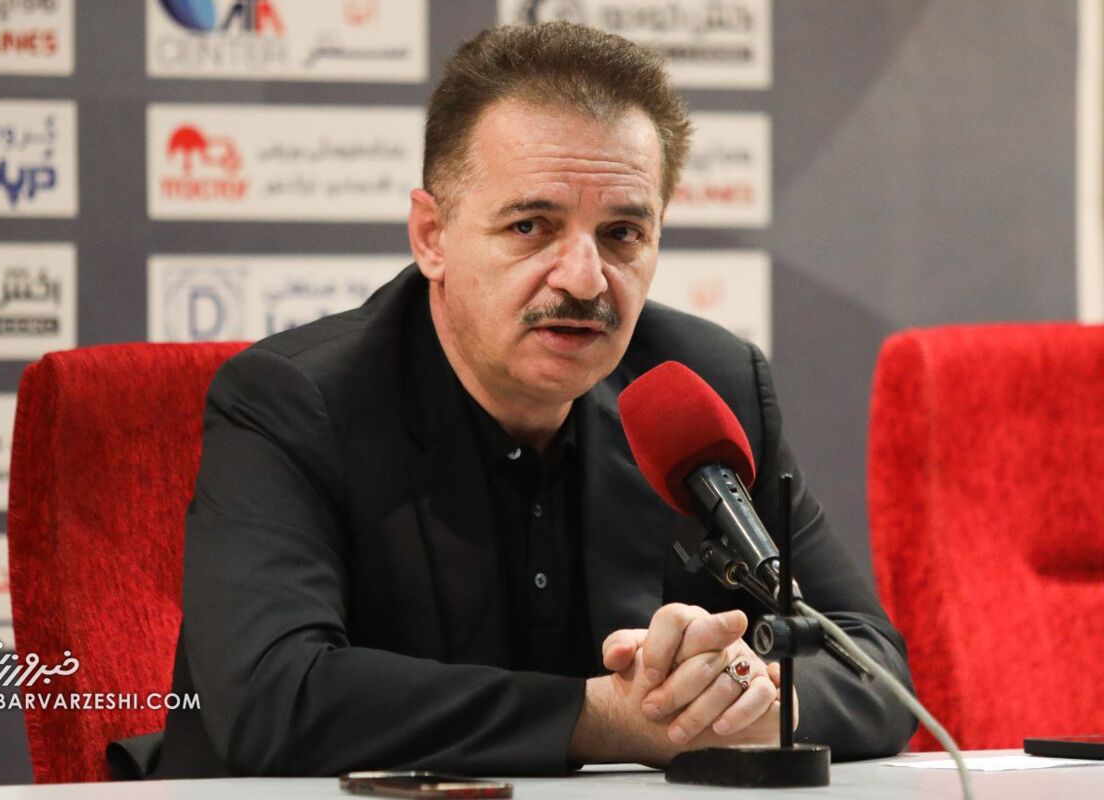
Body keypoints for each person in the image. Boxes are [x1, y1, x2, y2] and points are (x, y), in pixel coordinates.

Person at [117, 21, 916, 780]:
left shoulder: (709, 385)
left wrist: (757, 703)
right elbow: (274, 698)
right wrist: (606, 718)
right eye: (532, 226)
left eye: (623, 233)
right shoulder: (298, 402)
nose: (584, 278)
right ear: (432, 236)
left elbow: (871, 663)